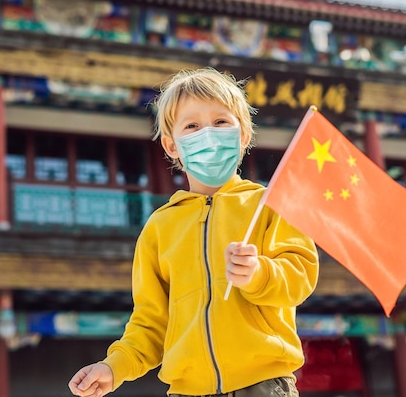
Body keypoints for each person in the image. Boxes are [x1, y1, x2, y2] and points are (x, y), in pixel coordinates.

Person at [68, 67, 319, 397]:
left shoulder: (270, 205)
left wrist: (259, 274)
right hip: (186, 391)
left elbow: (300, 276)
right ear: (172, 146)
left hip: (264, 385)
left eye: (220, 122)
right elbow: (150, 322)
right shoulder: (160, 227)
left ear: (243, 135)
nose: (208, 134)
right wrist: (114, 367)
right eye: (192, 126)